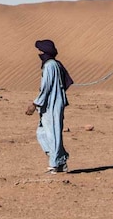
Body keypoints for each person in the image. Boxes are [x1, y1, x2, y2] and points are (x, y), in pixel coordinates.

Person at [25, 39, 74, 173]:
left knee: (52, 133)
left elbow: (46, 87)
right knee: (42, 133)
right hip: (50, 104)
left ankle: (55, 163)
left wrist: (35, 104)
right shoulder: (54, 64)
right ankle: (59, 159)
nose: (39, 53)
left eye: (41, 51)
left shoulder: (49, 65)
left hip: (53, 104)